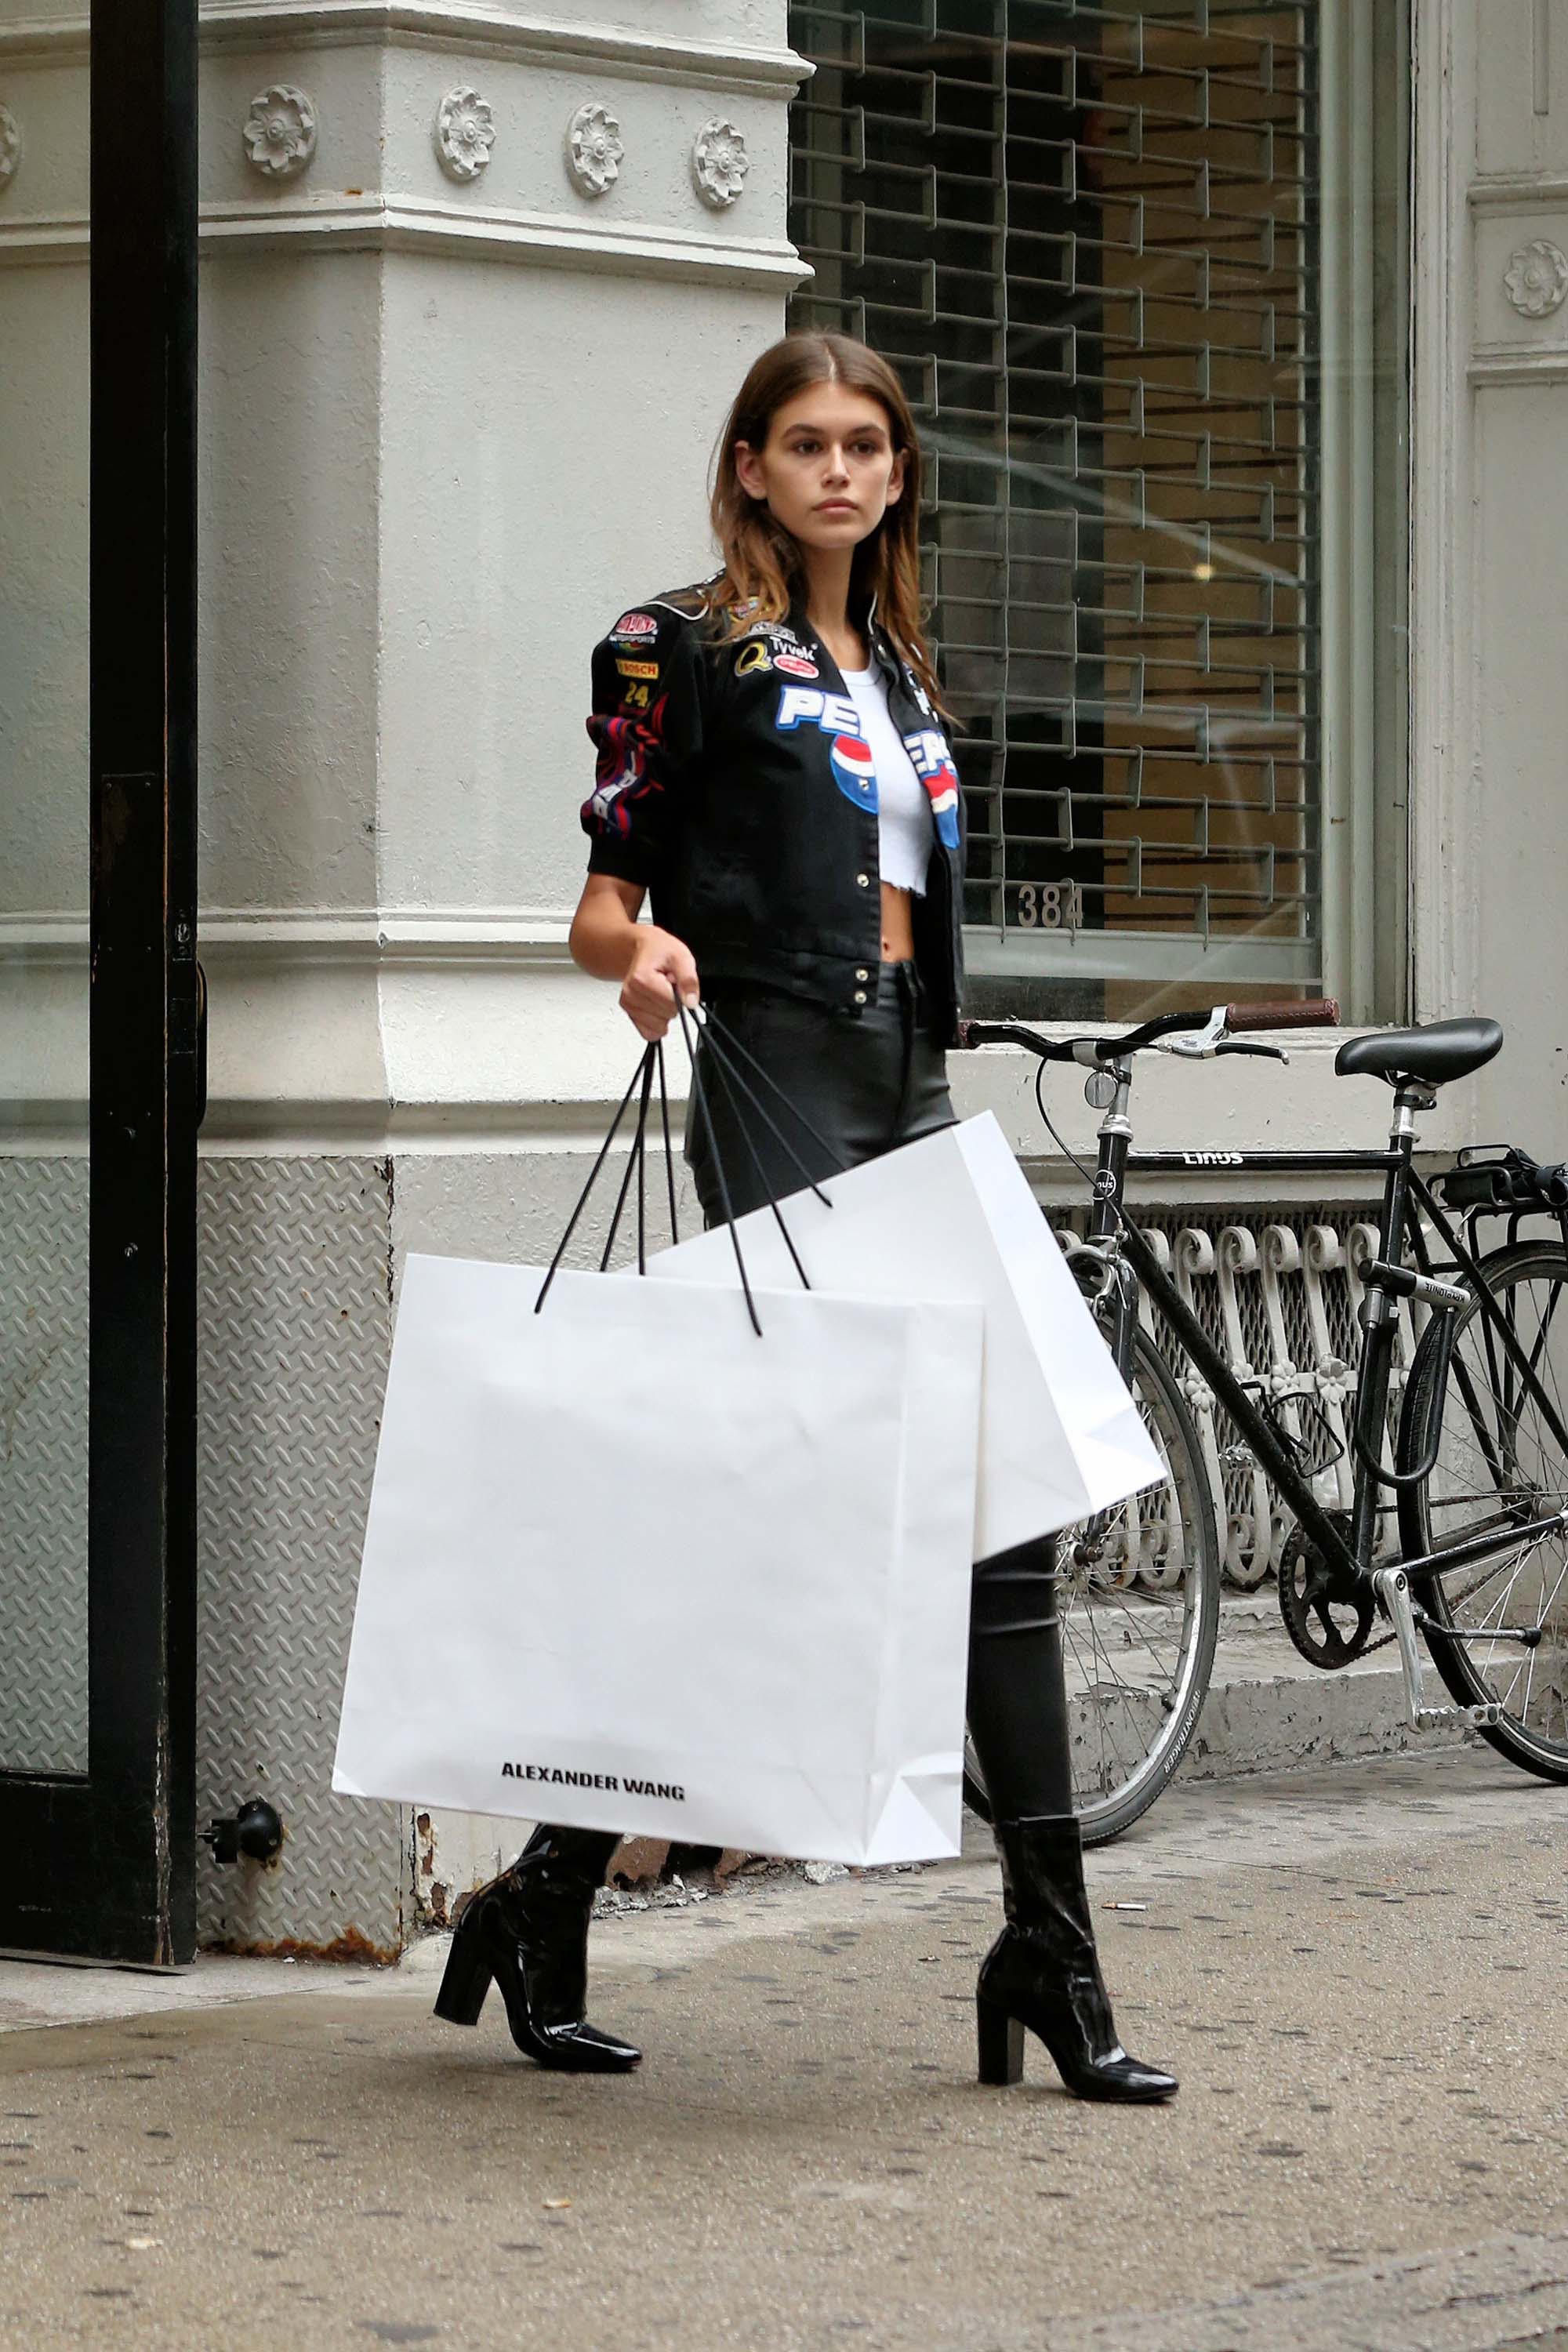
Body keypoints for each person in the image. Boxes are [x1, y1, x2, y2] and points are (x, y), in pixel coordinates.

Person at [434, 332, 1178, 2103]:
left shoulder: (907, 671)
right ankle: (544, 1890)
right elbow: (598, 907)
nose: (839, 470)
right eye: (805, 444)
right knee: (746, 1517)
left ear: (897, 473)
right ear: (751, 466)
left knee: (1008, 1517)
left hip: (911, 1094)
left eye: (867, 445)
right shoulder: (667, 649)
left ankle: (1049, 1950)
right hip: (770, 1091)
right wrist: (646, 951)